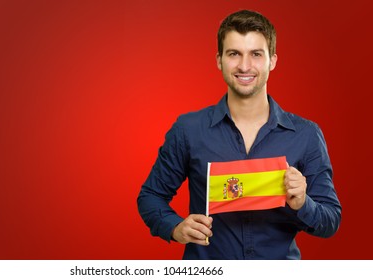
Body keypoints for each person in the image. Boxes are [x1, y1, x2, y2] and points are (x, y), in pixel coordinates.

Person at [137, 9, 341, 259]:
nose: (245, 66)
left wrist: (302, 203)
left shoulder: (306, 135)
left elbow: (330, 221)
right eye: (234, 54)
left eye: (256, 54)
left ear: (272, 61)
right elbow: (151, 196)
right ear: (219, 60)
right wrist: (175, 228)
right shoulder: (188, 130)